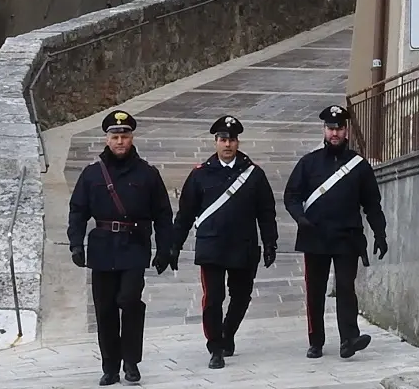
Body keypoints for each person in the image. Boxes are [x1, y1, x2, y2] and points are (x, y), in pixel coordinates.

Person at [67, 109, 178, 386]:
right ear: (107, 139)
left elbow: (163, 214)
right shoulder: (92, 175)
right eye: (115, 136)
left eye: (125, 135)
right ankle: (110, 367)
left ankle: (131, 361)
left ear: (132, 138)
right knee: (104, 309)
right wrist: (75, 243)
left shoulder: (148, 174)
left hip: (134, 246)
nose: (120, 141)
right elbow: (78, 210)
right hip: (102, 247)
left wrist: (165, 249)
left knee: (129, 301)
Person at [172, 115, 279, 370]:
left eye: (231, 140)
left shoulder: (254, 174)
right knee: (213, 298)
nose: (227, 144)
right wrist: (173, 246)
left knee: (241, 296)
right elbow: (185, 213)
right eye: (222, 140)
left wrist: (270, 242)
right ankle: (215, 347)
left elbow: (266, 212)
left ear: (237, 142)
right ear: (215, 142)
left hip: (243, 245)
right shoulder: (200, 175)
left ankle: (227, 333)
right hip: (212, 245)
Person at [283, 105, 388, 360]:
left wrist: (380, 233)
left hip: (347, 237)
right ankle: (316, 341)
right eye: (331, 129)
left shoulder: (359, 166)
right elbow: (291, 196)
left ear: (346, 131)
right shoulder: (308, 163)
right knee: (315, 290)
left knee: (345, 287)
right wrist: (301, 218)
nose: (335, 133)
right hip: (315, 236)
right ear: (324, 130)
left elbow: (372, 203)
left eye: (339, 128)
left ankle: (349, 339)